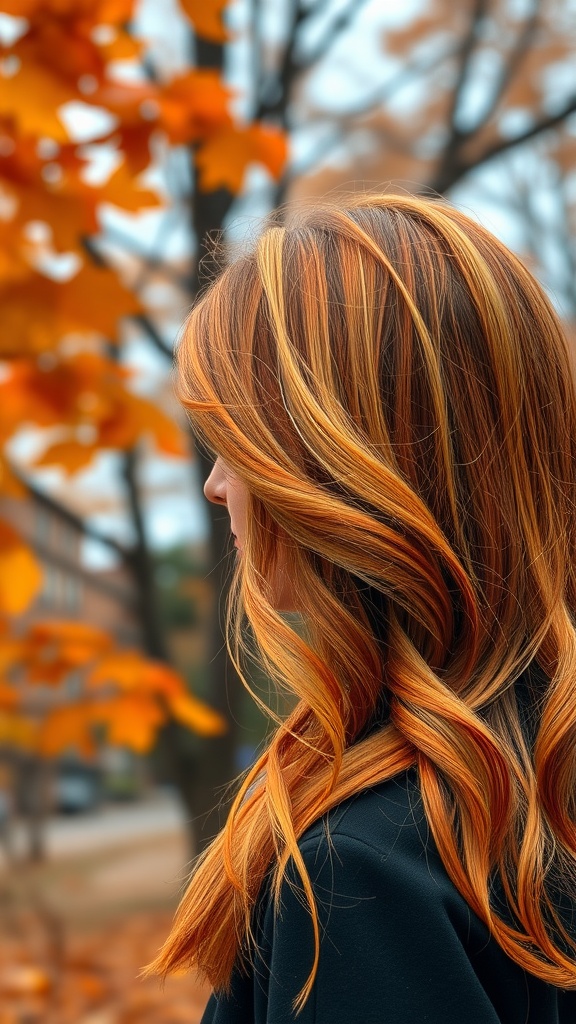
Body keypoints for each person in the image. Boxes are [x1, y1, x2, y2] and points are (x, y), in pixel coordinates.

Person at [148, 194, 576, 1022]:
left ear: (324, 464)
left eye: (234, 445)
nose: (215, 486)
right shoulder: (531, 793)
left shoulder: (361, 875)